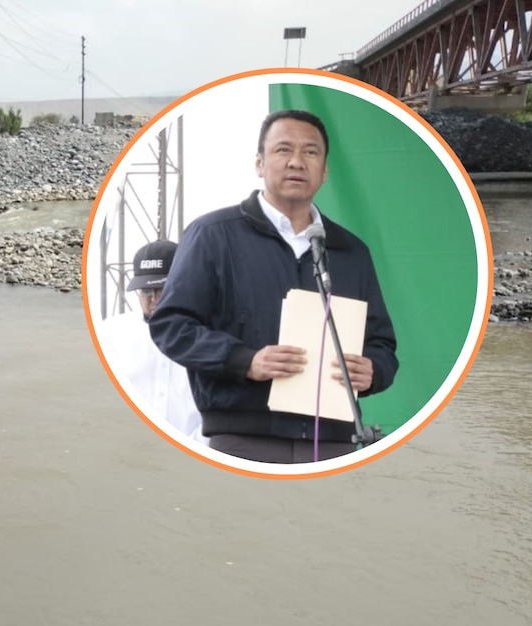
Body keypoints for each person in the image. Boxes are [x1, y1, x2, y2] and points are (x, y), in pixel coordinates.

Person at [149, 109, 398, 464]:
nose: (297, 162)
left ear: (325, 171)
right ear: (260, 164)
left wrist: (373, 371)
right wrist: (245, 361)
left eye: (310, 152)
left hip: (334, 443)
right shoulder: (213, 235)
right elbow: (171, 326)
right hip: (241, 440)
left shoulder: (351, 251)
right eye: (283, 150)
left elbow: (383, 344)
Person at [96, 239, 208, 446]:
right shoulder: (111, 334)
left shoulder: (213, 335)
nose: (155, 299)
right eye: (147, 292)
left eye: (163, 289)